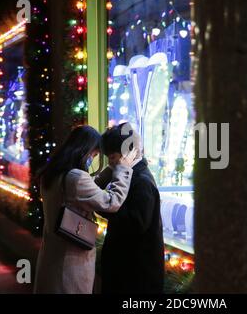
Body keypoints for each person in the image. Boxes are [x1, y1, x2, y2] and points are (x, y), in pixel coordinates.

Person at [33, 125, 137, 294]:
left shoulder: (54, 173)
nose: (93, 159)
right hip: (71, 261)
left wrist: (111, 169)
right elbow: (112, 202)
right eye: (94, 154)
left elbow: (85, 190)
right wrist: (122, 168)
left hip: (52, 255)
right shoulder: (76, 177)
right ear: (84, 150)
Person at [95, 122, 165, 294]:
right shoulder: (127, 174)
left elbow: (135, 224)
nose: (110, 163)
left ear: (129, 152)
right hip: (125, 269)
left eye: (112, 157)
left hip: (135, 275)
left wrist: (104, 205)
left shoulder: (141, 181)